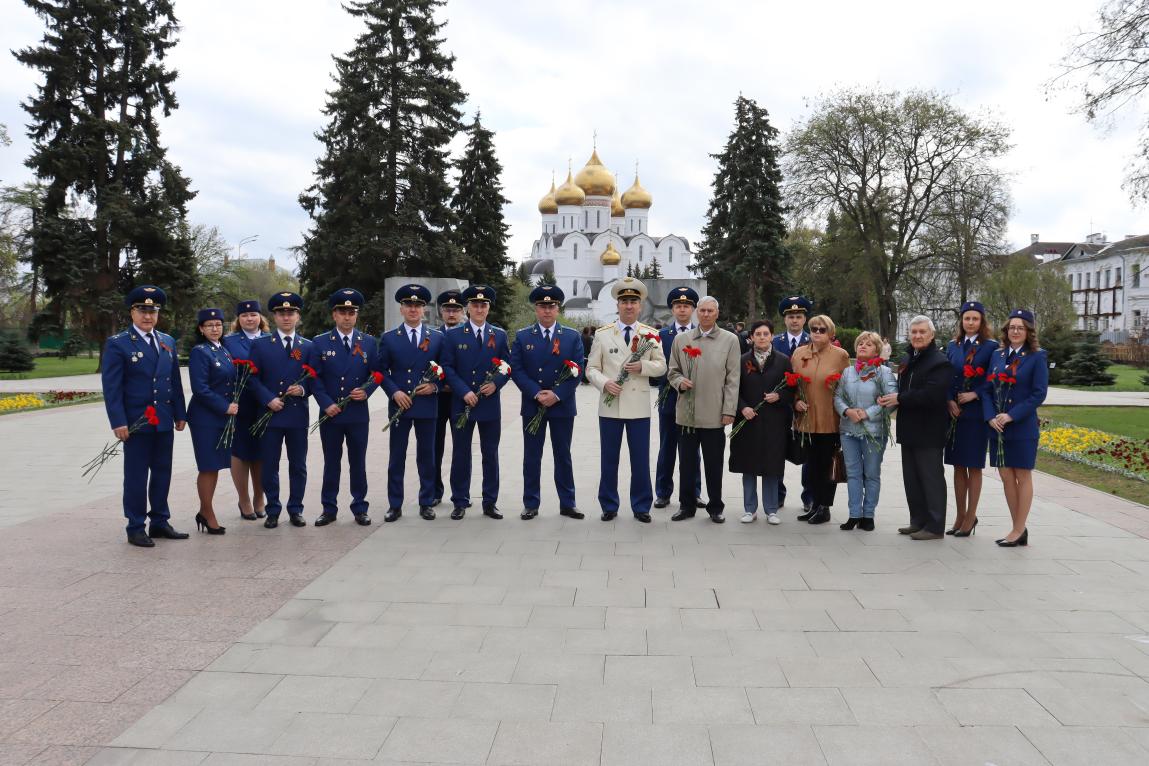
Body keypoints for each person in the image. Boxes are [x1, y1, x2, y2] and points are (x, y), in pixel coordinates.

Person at [101, 285, 188, 547]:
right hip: (137, 422)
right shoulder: (119, 344)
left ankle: (160, 521)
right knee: (137, 475)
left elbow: (174, 380)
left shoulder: (167, 341)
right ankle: (136, 525)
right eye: (142, 310)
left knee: (163, 472)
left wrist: (180, 413)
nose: (148, 316)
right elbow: (112, 387)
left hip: (163, 419)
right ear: (132, 312)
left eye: (153, 311)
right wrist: (118, 421)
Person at [586, 277, 666, 523]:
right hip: (610, 405)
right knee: (609, 459)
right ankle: (609, 505)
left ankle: (641, 506)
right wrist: (604, 383)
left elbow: (661, 366)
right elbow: (591, 369)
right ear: (617, 305)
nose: (629, 306)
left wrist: (642, 365)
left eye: (633, 301)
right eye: (624, 301)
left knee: (640, 460)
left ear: (640, 305)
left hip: (638, 407)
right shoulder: (602, 334)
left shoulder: (650, 335)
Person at [509, 285, 584, 520]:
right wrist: (536, 393)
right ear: (536, 308)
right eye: (542, 306)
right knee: (532, 455)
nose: (547, 310)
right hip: (533, 405)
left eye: (551, 306)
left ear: (558, 307)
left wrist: (557, 394)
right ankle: (531, 503)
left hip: (561, 405)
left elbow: (577, 371)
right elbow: (517, 370)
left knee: (563, 455)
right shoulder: (523, 336)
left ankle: (567, 503)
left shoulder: (571, 336)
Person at [667, 296, 741, 523]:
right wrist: (679, 382)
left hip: (714, 414)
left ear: (717, 313)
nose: (706, 314)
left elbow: (733, 379)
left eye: (710, 311)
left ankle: (715, 507)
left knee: (713, 464)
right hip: (687, 414)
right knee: (686, 464)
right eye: (703, 311)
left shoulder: (730, 340)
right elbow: (672, 371)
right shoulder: (682, 339)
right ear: (697, 313)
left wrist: (729, 410)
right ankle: (686, 505)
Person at [878, 316, 952, 540]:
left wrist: (900, 398)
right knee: (912, 478)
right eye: (914, 332)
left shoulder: (939, 362)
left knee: (930, 478)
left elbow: (932, 395)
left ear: (931, 335)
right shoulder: (910, 357)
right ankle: (918, 520)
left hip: (929, 430)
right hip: (909, 428)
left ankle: (935, 525)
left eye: (922, 332)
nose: (918, 336)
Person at [441, 284, 511, 520]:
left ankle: (490, 502)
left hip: (489, 404)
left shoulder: (499, 335)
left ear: (489, 308)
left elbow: (507, 366)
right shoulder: (453, 335)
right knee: (461, 453)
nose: (479, 309)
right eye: (475, 305)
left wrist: (496, 383)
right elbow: (447, 367)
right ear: (468, 308)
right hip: (463, 403)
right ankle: (460, 500)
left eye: (484, 305)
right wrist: (462, 391)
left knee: (490, 453)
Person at [310, 288, 378, 527]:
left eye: (351, 312)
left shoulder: (369, 342)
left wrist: (367, 390)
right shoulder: (319, 343)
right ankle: (329, 508)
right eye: (342, 312)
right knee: (332, 461)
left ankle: (360, 507)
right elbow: (313, 378)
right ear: (334, 315)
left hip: (357, 413)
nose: (347, 316)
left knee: (357, 461)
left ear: (356, 315)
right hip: (331, 414)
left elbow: (377, 374)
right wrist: (326, 403)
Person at [247, 292, 315, 529]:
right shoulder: (260, 345)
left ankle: (295, 508)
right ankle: (273, 508)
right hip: (270, 415)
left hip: (296, 415)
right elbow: (251, 379)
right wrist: (268, 400)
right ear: (274, 316)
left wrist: (304, 389)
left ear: (298, 316)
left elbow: (316, 379)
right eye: (281, 313)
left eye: (291, 313)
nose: (286, 317)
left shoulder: (308, 346)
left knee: (298, 465)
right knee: (270, 465)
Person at [982, 309, 1049, 547]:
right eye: (1012, 327)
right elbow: (987, 389)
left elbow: (1038, 394)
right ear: (1006, 330)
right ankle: (1017, 528)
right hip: (998, 427)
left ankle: (1018, 529)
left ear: (1029, 331)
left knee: (1022, 474)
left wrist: (1011, 415)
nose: (1016, 331)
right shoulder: (998, 355)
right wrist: (990, 416)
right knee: (1005, 475)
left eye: (1021, 327)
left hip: (1021, 426)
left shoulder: (1037, 356)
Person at [378, 283, 444, 522]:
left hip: (427, 405)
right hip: (400, 405)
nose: (413, 309)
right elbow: (381, 371)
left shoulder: (436, 338)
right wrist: (394, 392)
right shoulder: (389, 338)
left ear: (424, 309)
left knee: (426, 455)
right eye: (409, 305)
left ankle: (426, 501)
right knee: (397, 456)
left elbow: (444, 368)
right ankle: (395, 504)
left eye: (418, 305)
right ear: (402, 309)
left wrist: (435, 386)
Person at [730, 319, 793, 525]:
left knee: (771, 465)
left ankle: (772, 509)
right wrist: (743, 407)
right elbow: (732, 388)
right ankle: (750, 509)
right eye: (758, 334)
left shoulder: (783, 360)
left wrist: (780, 396)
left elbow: (792, 388)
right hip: (748, 420)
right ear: (751, 337)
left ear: (772, 336)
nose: (762, 337)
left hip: (774, 421)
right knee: (748, 464)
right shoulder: (741, 360)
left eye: (766, 334)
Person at [944, 301, 998, 536]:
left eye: (975, 319)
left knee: (973, 466)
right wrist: (949, 400)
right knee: (957, 466)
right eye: (967, 318)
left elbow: (994, 378)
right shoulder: (952, 345)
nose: (970, 322)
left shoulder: (991, 347)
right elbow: (945, 375)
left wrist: (975, 393)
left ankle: (971, 516)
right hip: (955, 413)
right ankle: (959, 515)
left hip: (976, 413)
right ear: (962, 321)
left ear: (982, 321)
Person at [790, 314, 850, 525]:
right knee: (811, 465)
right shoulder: (799, 354)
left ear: (831, 333)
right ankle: (814, 504)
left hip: (829, 419)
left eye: (822, 329)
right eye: (814, 329)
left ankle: (825, 507)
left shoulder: (840, 355)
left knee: (826, 464)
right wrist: (796, 401)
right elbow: (792, 384)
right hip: (805, 419)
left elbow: (847, 388)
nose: (817, 332)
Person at [833, 331, 897, 531]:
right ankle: (854, 514)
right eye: (860, 343)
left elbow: (891, 401)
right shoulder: (848, 372)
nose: (862, 346)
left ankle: (868, 515)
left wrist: (868, 413)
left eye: (868, 344)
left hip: (874, 431)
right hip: (849, 430)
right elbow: (837, 396)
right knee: (853, 474)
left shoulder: (884, 372)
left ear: (877, 349)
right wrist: (847, 411)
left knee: (871, 473)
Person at [186, 307, 237, 535]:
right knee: (208, 466)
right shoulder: (200, 352)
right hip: (205, 418)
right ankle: (207, 513)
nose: (215, 329)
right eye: (209, 325)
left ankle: (204, 511)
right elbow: (200, 389)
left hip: (222, 417)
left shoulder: (223, 350)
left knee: (214, 466)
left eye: (218, 325)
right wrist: (224, 406)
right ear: (201, 329)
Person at [653, 286, 704, 511]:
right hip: (670, 399)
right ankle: (663, 493)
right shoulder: (662, 336)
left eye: (687, 306)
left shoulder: (702, 334)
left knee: (693, 450)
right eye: (678, 306)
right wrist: (675, 379)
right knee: (667, 448)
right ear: (672, 309)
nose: (682, 310)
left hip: (696, 400)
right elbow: (657, 366)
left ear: (693, 309)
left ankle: (694, 492)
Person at [222, 300, 270, 520]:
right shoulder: (228, 341)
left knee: (262, 452)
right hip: (239, 404)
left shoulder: (271, 340)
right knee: (240, 452)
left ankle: (260, 497)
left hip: (265, 404)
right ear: (238, 320)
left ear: (261, 317)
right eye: (244, 315)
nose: (249, 319)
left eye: (253, 315)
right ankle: (244, 499)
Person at [774, 296, 815, 513]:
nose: (795, 320)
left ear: (805, 318)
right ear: (785, 319)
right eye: (791, 316)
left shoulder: (814, 341)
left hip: (806, 404)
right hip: (780, 405)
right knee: (778, 447)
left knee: (807, 449)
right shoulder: (775, 342)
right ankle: (778, 494)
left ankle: (808, 495)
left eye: (799, 316)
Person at [433, 288, 466, 505]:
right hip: (436, 399)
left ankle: (460, 494)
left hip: (460, 398)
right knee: (434, 446)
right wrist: (438, 385)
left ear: (463, 311)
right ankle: (435, 491)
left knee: (461, 448)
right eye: (447, 309)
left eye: (455, 309)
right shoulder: (432, 336)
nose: (451, 313)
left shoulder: (468, 334)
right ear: (441, 312)